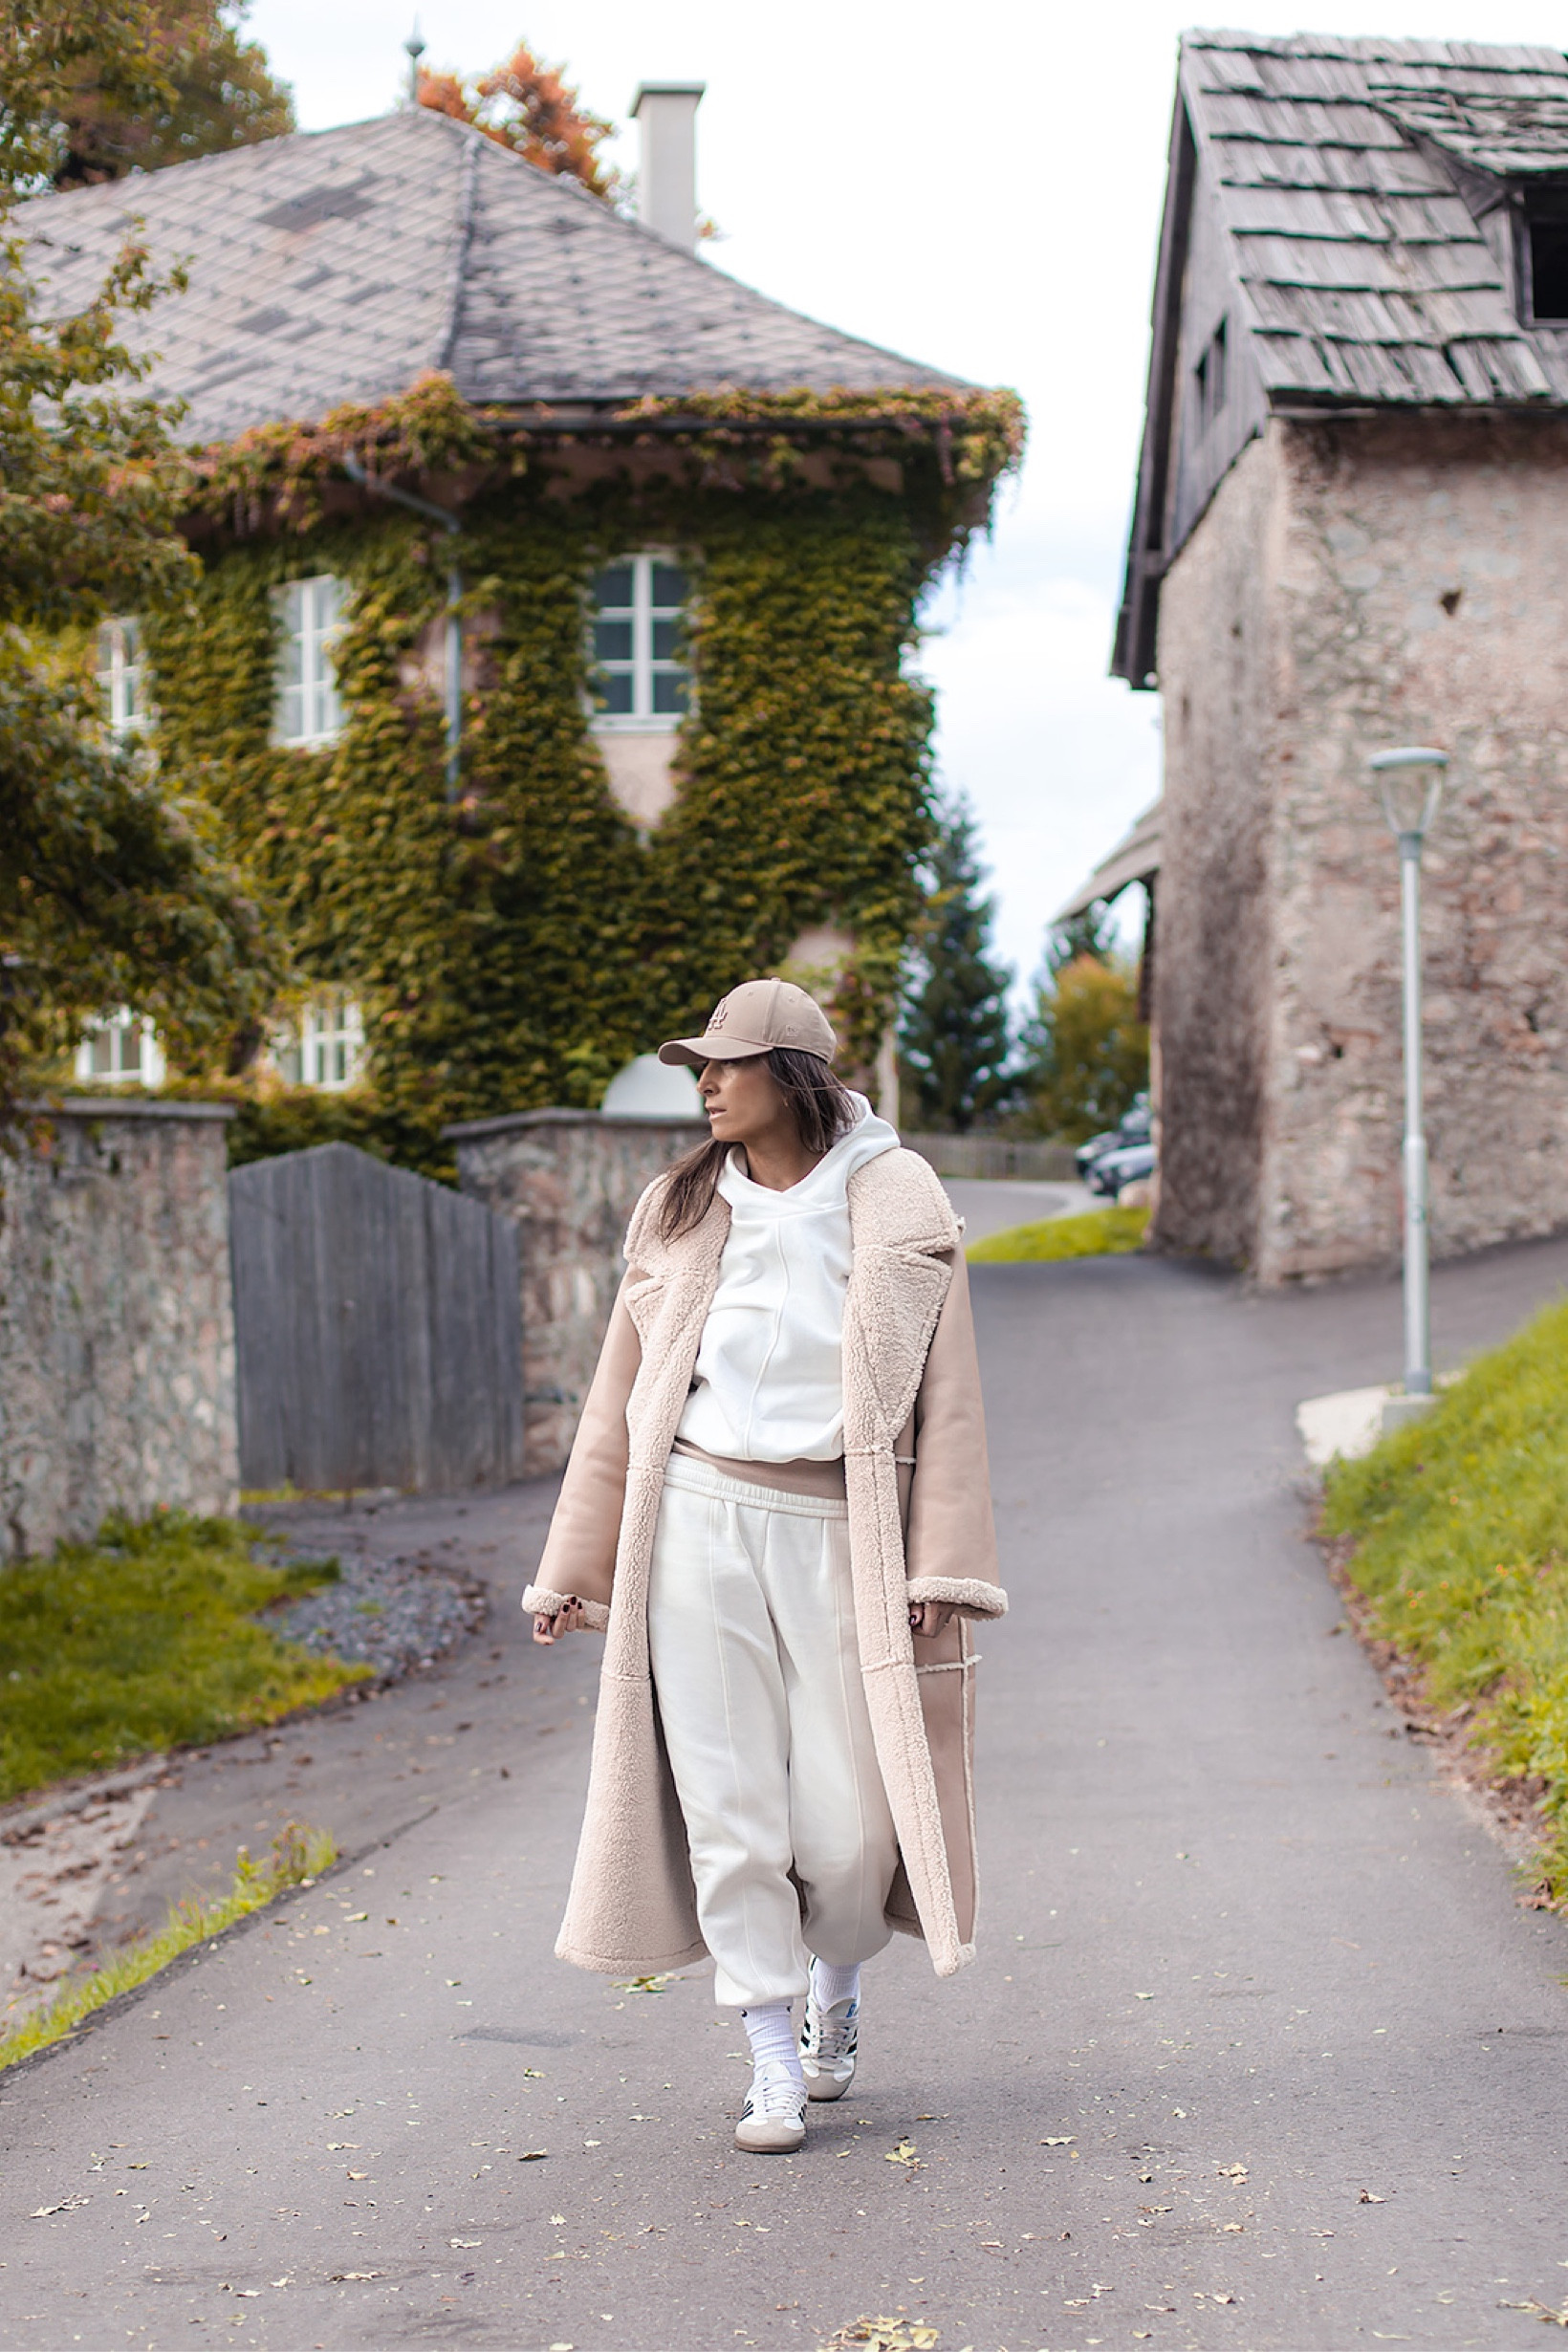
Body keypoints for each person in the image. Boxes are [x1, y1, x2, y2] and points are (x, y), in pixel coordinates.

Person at [525, 977, 1006, 2154]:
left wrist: (942, 1565)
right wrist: (572, 1566)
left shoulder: (895, 1196)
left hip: (846, 1528)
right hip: (695, 1515)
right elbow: (617, 1401)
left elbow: (950, 1399)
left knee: (848, 1831)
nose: (704, 1083)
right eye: (700, 1064)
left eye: (727, 1065)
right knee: (731, 1814)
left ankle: (834, 1987)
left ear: (795, 1075)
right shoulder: (678, 1208)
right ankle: (769, 2061)